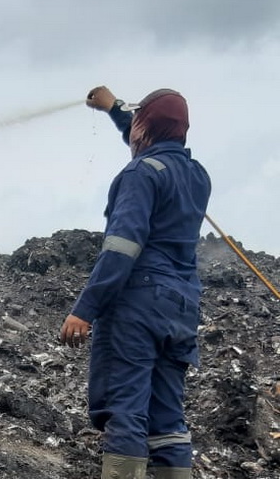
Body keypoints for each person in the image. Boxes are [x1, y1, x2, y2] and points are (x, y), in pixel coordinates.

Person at [59, 86, 211, 479]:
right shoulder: (197, 176)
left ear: (145, 128)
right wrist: (113, 108)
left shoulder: (141, 174)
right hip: (181, 309)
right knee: (168, 418)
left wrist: (84, 309)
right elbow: (154, 138)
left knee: (125, 409)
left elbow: (121, 248)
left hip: (138, 304)